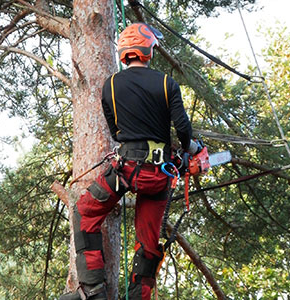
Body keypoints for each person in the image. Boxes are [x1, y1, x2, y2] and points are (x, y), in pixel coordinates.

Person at [60, 22, 196, 300]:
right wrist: (190, 148)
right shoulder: (166, 83)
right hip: (159, 176)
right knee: (147, 243)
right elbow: (183, 130)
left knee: (85, 213)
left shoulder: (110, 84)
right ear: (148, 49)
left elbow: (115, 131)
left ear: (125, 52)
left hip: (126, 170)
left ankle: (93, 290)